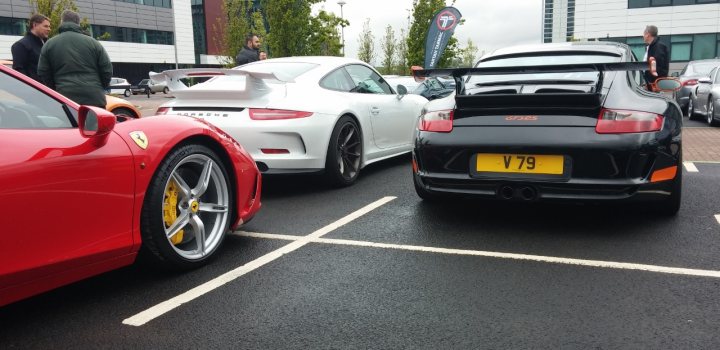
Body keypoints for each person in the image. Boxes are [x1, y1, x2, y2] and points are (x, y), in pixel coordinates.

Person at [38, 10, 112, 108]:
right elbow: (107, 70)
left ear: (61, 22)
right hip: (94, 98)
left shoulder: (49, 44)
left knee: (70, 123)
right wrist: (98, 86)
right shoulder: (94, 43)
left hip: (65, 98)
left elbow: (43, 72)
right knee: (94, 123)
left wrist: (55, 88)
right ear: (78, 23)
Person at [11, 14, 51, 82]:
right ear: (35, 25)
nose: (49, 29)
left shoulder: (47, 45)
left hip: (48, 90)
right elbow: (19, 72)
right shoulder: (21, 45)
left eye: (49, 27)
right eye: (45, 26)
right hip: (34, 90)